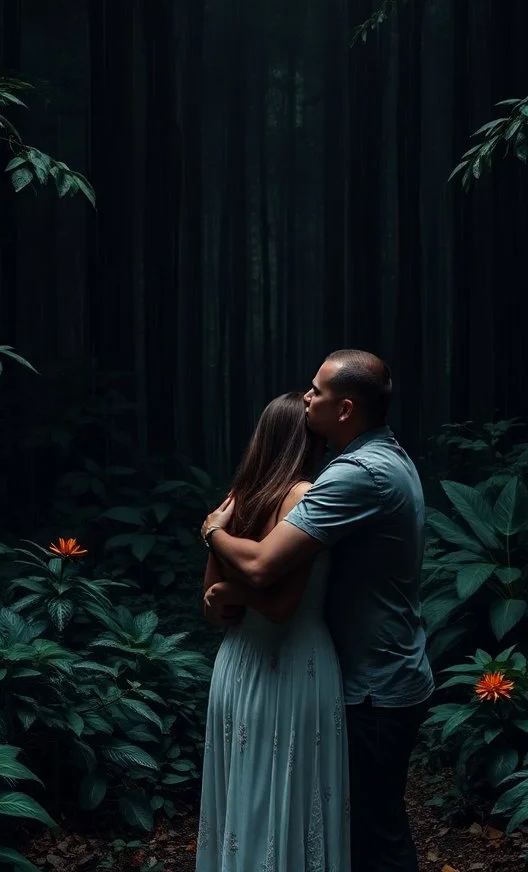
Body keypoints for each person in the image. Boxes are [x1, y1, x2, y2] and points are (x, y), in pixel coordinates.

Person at [201, 350, 434, 872]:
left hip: (375, 682)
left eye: (316, 391)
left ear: (346, 409)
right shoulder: (386, 458)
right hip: (383, 670)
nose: (307, 397)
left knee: (374, 838)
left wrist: (212, 530)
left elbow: (262, 568)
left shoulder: (356, 476)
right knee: (368, 829)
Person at [196, 391, 350, 872]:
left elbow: (210, 601)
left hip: (238, 659)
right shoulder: (303, 495)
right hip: (290, 663)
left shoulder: (234, 501)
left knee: (247, 797)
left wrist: (231, 595)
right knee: (283, 795)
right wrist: (231, 597)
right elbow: (284, 607)